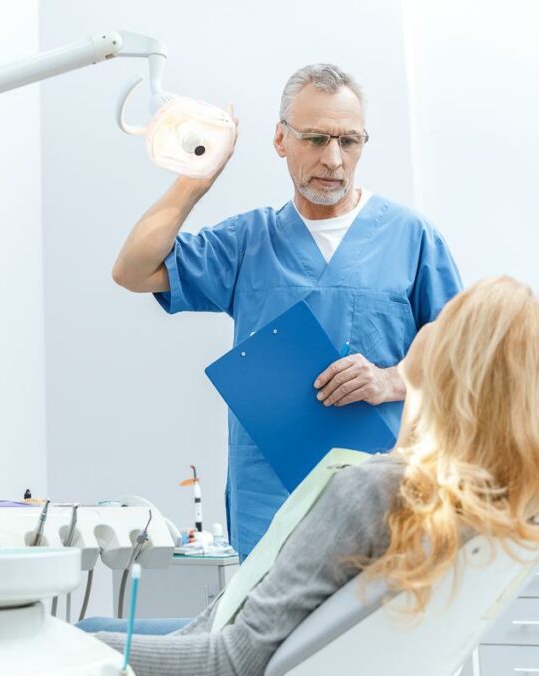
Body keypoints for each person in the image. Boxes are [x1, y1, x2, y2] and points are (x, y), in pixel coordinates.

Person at [80, 276, 539, 676]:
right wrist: (410, 388)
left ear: (454, 370)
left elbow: (230, 667)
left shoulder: (370, 491)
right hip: (246, 646)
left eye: (445, 324)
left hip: (221, 660)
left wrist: (41, 646)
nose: (427, 327)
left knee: (73, 634)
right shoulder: (487, 500)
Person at [112, 64, 462, 558]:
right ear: (280, 139)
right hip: (270, 496)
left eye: (350, 141)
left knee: (370, 626)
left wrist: (392, 379)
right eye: (316, 139)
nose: (334, 160)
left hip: (380, 488)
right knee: (265, 632)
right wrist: (196, 180)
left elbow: (464, 356)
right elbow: (132, 270)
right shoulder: (248, 242)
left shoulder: (411, 237)